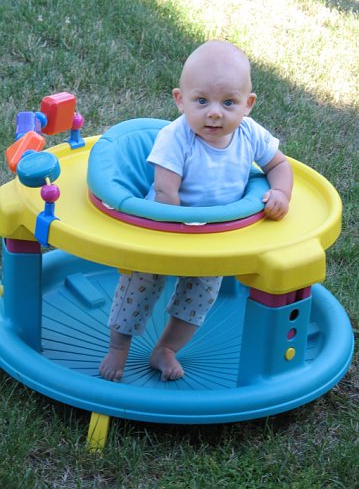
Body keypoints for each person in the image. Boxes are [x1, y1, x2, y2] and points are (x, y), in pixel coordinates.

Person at [99, 40, 293, 382]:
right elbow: (165, 192)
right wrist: (171, 244)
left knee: (199, 299)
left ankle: (166, 349)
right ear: (180, 99)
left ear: (248, 105)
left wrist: (280, 191)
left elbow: (279, 164)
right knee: (138, 288)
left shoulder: (250, 134)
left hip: (213, 237)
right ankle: (118, 348)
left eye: (228, 102)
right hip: (163, 229)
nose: (214, 112)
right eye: (201, 101)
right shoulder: (175, 139)